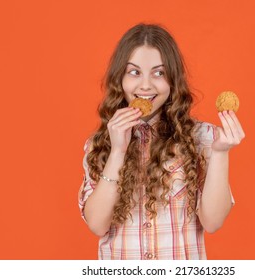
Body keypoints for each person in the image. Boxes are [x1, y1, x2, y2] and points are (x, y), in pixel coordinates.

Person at [78, 23, 245, 260]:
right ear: (120, 79)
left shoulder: (204, 138)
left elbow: (213, 222)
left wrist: (220, 153)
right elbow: (97, 224)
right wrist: (117, 151)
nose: (146, 85)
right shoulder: (98, 144)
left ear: (172, 80)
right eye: (134, 72)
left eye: (159, 73)